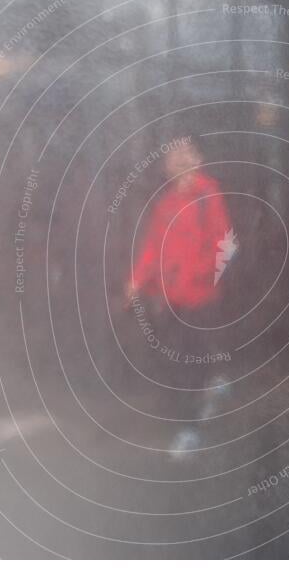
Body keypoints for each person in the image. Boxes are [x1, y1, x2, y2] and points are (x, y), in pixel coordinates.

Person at [126, 136, 236, 454]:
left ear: (198, 158)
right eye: (172, 155)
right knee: (182, 359)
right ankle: (210, 389)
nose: (178, 159)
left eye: (185, 152)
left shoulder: (208, 194)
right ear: (165, 166)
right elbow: (152, 247)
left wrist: (200, 276)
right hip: (170, 297)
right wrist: (136, 279)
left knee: (187, 361)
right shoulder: (165, 204)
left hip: (201, 297)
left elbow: (224, 243)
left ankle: (189, 430)